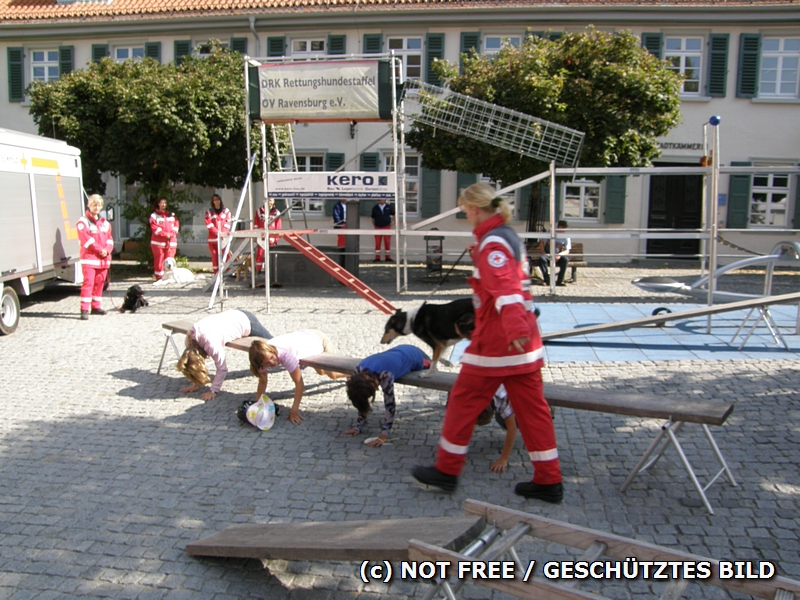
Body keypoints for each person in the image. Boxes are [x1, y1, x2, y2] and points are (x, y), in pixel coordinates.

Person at [412, 182, 563, 504]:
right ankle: (549, 480)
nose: (465, 215)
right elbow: (511, 279)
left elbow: (506, 289)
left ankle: (447, 470)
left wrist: (513, 328)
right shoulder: (505, 235)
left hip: (498, 343)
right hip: (524, 344)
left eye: (465, 210)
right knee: (534, 411)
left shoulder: (492, 243)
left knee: (463, 402)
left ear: (476, 208)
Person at [249, 330, 347, 425]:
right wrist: (259, 405)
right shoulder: (261, 358)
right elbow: (262, 381)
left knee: (332, 374)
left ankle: (351, 374)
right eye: (266, 363)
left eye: (271, 358)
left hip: (319, 339)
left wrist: (294, 411)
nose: (271, 363)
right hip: (305, 338)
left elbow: (299, 383)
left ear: (272, 350)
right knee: (321, 372)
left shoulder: (285, 355)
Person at [342, 345, 430, 447]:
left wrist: (385, 434)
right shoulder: (358, 371)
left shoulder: (385, 375)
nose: (377, 389)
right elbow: (360, 398)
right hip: (397, 351)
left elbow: (390, 405)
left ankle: (428, 363)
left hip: (413, 355)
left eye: (374, 386)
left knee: (428, 366)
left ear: (366, 376)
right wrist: (358, 426)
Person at [177, 310, 272, 402]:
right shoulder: (189, 342)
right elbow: (194, 363)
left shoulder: (211, 343)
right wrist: (196, 383)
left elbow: (222, 369)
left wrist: (213, 391)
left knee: (275, 347)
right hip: (234, 316)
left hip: (247, 321)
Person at [75, 194, 113, 320]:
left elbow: (110, 240)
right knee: (88, 283)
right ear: (89, 205)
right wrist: (100, 250)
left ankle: (96, 307)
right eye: (94, 205)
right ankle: (84, 309)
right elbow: (86, 240)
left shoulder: (105, 224)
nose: (96, 207)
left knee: (99, 284)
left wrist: (106, 251)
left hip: (102, 259)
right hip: (90, 259)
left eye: (98, 205)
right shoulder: (83, 222)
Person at [475, 385, 519, 473]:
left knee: (512, 421)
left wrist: (503, 459)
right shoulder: (473, 397)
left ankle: (547, 411)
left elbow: (512, 429)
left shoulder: (502, 398)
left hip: (522, 395)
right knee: (503, 417)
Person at [149, 197, 180, 281]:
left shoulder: (171, 215)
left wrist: (172, 234)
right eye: (162, 203)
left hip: (171, 242)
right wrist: (165, 234)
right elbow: (154, 227)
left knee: (170, 260)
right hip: (158, 243)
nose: (163, 205)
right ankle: (159, 277)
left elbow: (176, 225)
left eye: (165, 203)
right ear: (158, 204)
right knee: (159, 260)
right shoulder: (154, 216)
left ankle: (169, 277)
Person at [204, 194, 231, 275]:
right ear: (212, 201)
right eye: (215, 200)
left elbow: (228, 223)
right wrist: (217, 232)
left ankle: (229, 271)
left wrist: (223, 233)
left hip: (223, 237)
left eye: (218, 199)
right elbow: (209, 224)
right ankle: (216, 273)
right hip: (213, 239)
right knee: (215, 256)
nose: (216, 201)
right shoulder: (209, 212)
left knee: (226, 254)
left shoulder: (226, 211)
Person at [538, 220, 571, 287]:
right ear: (558, 227)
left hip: (559, 254)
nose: (562, 230)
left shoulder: (566, 237)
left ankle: (560, 280)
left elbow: (567, 250)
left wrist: (559, 255)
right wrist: (542, 250)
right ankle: (546, 279)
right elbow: (542, 242)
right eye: (561, 228)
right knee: (542, 259)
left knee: (565, 260)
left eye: (564, 229)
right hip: (548, 253)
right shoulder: (550, 233)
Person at [255, 198, 282, 274]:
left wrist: (276, 239)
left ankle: (270, 272)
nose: (269, 201)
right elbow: (256, 223)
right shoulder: (259, 211)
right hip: (261, 236)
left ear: (273, 201)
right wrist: (256, 234)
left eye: (271, 200)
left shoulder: (277, 213)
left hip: (272, 237)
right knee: (259, 254)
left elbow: (278, 226)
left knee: (270, 255)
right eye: (268, 200)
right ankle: (258, 271)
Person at [371, 198, 395, 262]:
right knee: (377, 242)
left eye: (383, 200)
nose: (382, 201)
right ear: (378, 200)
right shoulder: (375, 208)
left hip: (386, 226)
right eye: (380, 200)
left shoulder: (389, 207)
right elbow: (373, 218)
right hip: (378, 227)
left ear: (385, 200)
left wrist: (393, 222)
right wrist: (375, 225)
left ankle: (387, 257)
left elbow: (394, 214)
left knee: (387, 241)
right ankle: (377, 257)